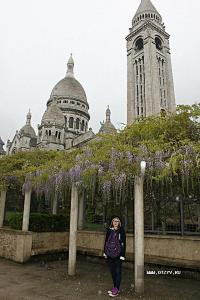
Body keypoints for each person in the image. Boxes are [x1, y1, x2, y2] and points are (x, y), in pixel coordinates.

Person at [103, 216, 126, 297]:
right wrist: (104, 252)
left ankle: (116, 290)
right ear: (112, 222)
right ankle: (115, 288)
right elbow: (106, 242)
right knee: (113, 272)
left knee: (118, 272)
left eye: (117, 221)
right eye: (114, 221)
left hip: (118, 255)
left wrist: (122, 255)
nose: (115, 222)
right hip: (109, 254)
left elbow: (123, 243)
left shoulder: (121, 231)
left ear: (119, 222)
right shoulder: (109, 230)